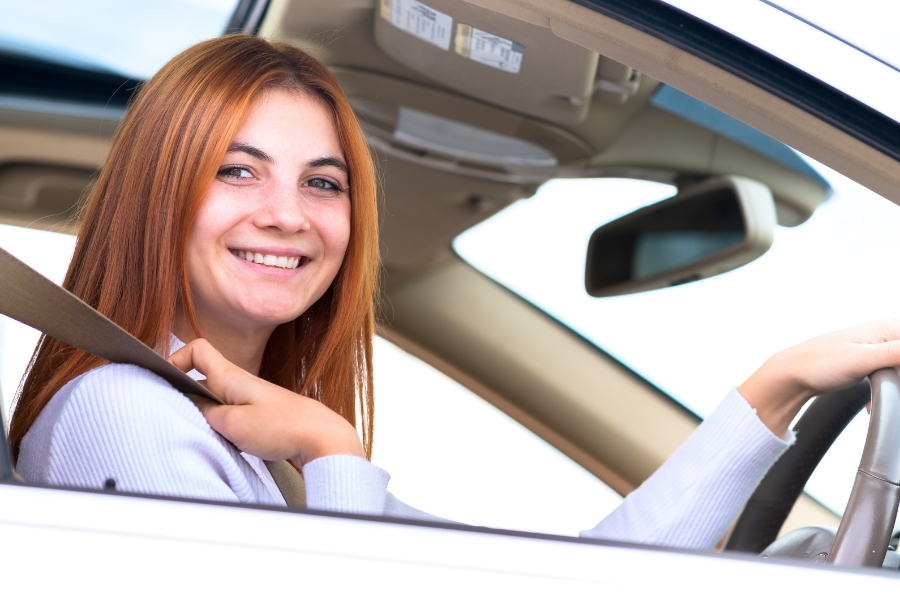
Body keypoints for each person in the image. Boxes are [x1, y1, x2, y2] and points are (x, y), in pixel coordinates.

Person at [10, 35, 900, 549]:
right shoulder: (124, 412)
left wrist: (775, 386)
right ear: (158, 193)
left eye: (323, 183)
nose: (287, 214)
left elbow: (583, 585)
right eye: (237, 171)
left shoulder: (253, 445)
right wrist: (332, 448)